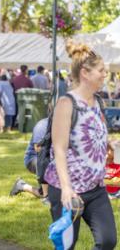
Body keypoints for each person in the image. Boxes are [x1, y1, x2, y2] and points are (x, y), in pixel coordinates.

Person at [44, 41, 117, 249]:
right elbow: (59, 148)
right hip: (68, 188)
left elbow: (93, 136)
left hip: (95, 188)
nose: (105, 75)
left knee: (108, 240)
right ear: (85, 73)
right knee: (67, 245)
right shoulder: (67, 103)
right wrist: (66, 188)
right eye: (101, 70)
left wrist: (109, 144)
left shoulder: (98, 102)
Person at [10, 118, 49, 204]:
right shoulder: (42, 125)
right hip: (33, 158)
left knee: (54, 194)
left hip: (49, 159)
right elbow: (39, 149)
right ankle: (46, 197)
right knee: (46, 162)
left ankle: (21, 185)